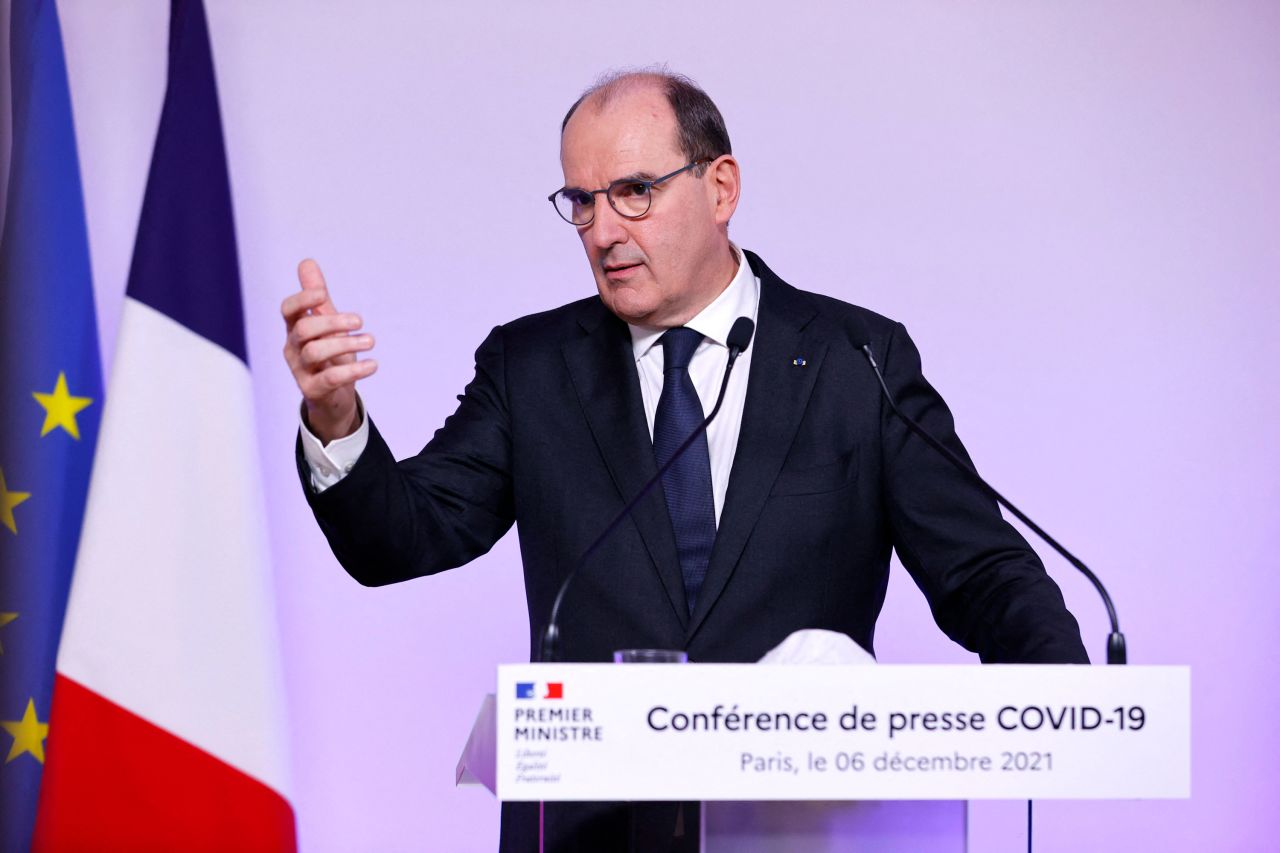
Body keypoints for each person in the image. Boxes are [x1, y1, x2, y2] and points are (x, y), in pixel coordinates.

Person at [282, 69, 1087, 852]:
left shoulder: (856, 359)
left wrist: (1078, 708)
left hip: (800, 826)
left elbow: (982, 571)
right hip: (591, 832)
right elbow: (404, 537)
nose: (602, 230)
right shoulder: (531, 368)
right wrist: (335, 415)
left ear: (721, 188)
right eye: (581, 202)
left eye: (635, 191)